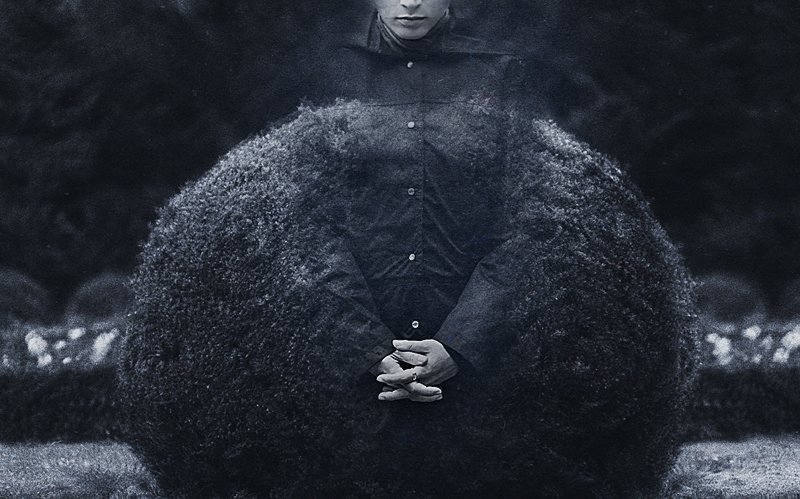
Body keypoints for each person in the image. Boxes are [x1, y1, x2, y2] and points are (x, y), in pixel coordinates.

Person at [310, 0, 530, 404]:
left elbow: (529, 218)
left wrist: (460, 343)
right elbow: (307, 223)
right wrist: (369, 349)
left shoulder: (501, 73)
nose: (410, 2)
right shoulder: (327, 71)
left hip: (481, 370)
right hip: (348, 368)